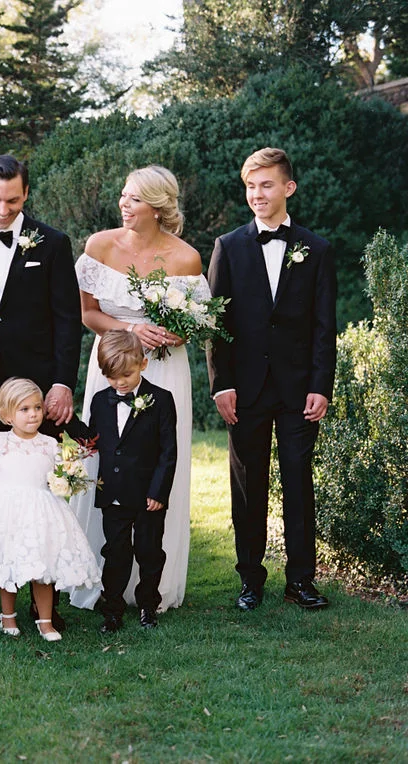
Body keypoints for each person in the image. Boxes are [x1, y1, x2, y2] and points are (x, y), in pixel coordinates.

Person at [0, 154, 83, 628]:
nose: (3, 210)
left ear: (26, 194)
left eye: (13, 201)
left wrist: (62, 383)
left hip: (36, 387)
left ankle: (46, 592)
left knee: (41, 482)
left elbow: (68, 319)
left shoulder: (54, 243)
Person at [67, 165, 203, 614]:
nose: (124, 204)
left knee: (158, 459)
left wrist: (170, 334)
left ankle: (152, 585)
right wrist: (130, 329)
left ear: (159, 208)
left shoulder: (186, 258)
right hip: (110, 363)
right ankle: (99, 580)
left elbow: (194, 324)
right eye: (124, 195)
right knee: (104, 458)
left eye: (136, 199)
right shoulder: (99, 246)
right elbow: (88, 314)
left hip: (163, 369)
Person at [207, 147, 336, 611]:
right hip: (244, 389)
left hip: (300, 390)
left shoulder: (317, 250)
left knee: (299, 481)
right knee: (248, 486)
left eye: (266, 185)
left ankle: (301, 580)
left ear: (288, 187)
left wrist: (320, 385)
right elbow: (216, 323)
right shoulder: (228, 247)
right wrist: (221, 383)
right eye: (250, 186)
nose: (257, 194)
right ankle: (250, 580)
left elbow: (324, 326)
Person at [0, 378, 101, 641]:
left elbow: (60, 475)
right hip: (7, 512)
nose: (33, 414)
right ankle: (8, 616)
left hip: (41, 513)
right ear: (7, 415)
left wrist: (69, 473)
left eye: (37, 408)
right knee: (9, 564)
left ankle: (45, 621)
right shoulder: (0, 441)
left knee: (43, 570)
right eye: (25, 409)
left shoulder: (49, 444)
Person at [65, 330, 178, 632]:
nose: (120, 383)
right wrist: (67, 422)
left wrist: (158, 492)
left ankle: (148, 606)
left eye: (126, 375)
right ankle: (112, 609)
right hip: (113, 494)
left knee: (149, 552)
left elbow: (168, 451)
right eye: (113, 377)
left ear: (143, 364)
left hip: (147, 496)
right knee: (115, 553)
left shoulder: (161, 400)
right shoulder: (101, 401)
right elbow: (93, 440)